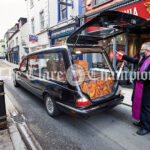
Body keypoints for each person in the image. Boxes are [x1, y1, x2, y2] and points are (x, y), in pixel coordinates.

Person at [117, 42, 150, 135]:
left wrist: (137, 76)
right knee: (140, 107)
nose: (140, 51)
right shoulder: (143, 59)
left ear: (147, 50)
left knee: (146, 108)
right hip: (140, 88)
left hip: (147, 90)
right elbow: (133, 60)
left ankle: (146, 127)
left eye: (142, 50)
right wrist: (123, 56)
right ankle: (142, 122)